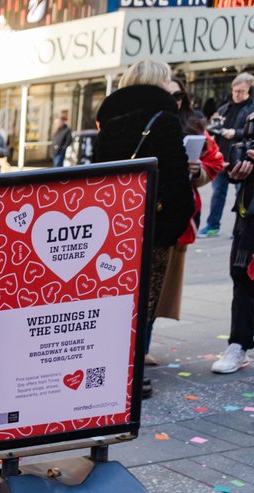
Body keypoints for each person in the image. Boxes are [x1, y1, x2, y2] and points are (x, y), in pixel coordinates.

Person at [95, 59, 195, 398]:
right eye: (167, 80)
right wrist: (170, 230)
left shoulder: (107, 118)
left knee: (112, 301)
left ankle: (104, 371)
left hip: (111, 225)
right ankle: (131, 378)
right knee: (142, 304)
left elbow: (98, 174)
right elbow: (177, 184)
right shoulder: (165, 119)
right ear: (159, 81)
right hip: (151, 226)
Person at [151, 77, 225, 366]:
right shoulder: (148, 120)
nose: (175, 100)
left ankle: (144, 342)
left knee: (163, 283)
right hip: (144, 211)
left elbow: (215, 161)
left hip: (178, 215)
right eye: (168, 95)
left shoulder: (194, 127)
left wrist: (196, 172)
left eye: (178, 95)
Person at [213, 109, 254, 374]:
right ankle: (238, 344)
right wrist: (236, 171)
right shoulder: (251, 116)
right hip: (249, 214)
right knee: (241, 274)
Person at [200, 72, 254, 237]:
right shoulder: (224, 107)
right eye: (235, 91)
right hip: (223, 156)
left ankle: (239, 228)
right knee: (218, 193)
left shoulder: (251, 108)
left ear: (249, 91)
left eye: (241, 91)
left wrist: (235, 132)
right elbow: (212, 129)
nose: (237, 95)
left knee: (241, 194)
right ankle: (212, 225)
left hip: (241, 158)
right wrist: (214, 125)